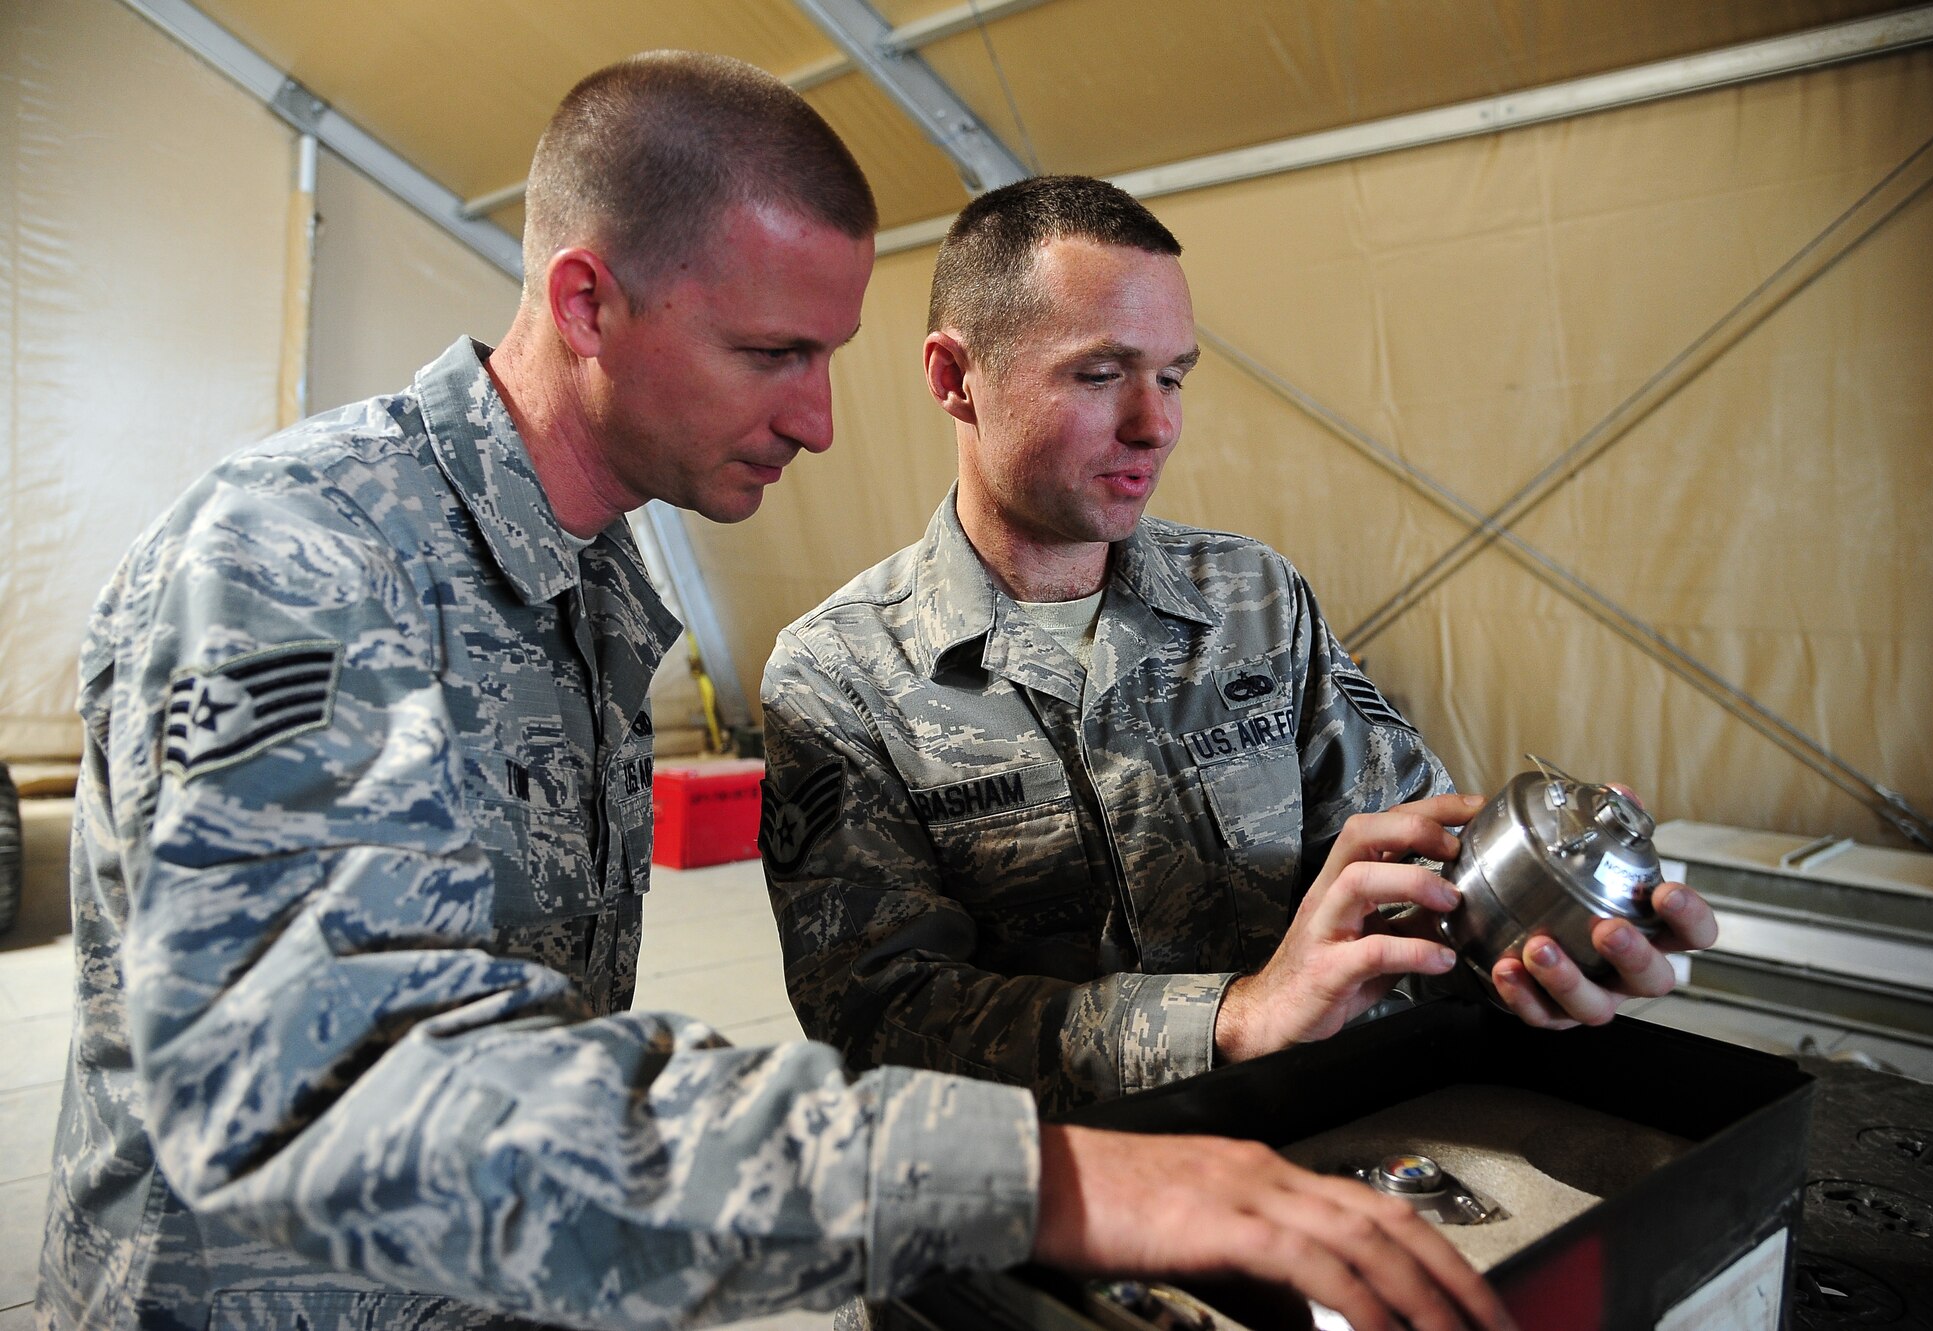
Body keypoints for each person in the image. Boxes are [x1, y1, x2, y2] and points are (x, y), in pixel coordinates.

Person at [37, 56, 1512, 1331]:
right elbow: (322, 1086)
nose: (817, 419)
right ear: (587, 300)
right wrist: (1047, 1172)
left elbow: (540, 1046)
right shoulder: (301, 559)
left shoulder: (581, 589)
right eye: (773, 352)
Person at [760, 175, 1718, 1117]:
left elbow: (1414, 882)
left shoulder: (1252, 599)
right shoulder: (841, 675)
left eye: (1173, 376)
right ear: (953, 378)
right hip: (1062, 1188)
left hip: (1316, 1142)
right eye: (1100, 375)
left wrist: (1545, 934)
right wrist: (1235, 1017)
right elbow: (881, 1023)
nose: (1156, 424)